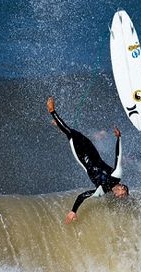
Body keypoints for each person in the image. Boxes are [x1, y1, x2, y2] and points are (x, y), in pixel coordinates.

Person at [47, 96, 129, 224]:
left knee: (71, 134)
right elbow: (118, 155)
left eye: (121, 198)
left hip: (82, 158)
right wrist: (119, 138)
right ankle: (58, 124)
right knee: (76, 134)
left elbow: (82, 196)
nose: (119, 197)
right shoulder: (116, 175)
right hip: (92, 151)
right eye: (122, 195)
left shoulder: (101, 191)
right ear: (122, 188)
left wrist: (73, 211)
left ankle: (52, 111)